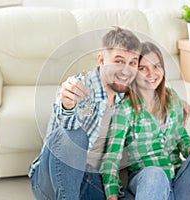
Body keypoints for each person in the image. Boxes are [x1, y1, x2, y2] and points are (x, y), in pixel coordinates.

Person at [100, 42, 190, 200]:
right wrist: (112, 196)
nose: (151, 73)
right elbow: (112, 158)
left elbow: (180, 136)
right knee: (155, 174)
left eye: (156, 66)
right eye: (142, 68)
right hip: (148, 184)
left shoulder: (172, 98)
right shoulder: (125, 110)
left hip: (179, 184)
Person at [28, 27, 142, 200]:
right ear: (102, 60)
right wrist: (67, 105)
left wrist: (174, 102)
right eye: (119, 61)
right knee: (75, 135)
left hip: (90, 179)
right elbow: (66, 130)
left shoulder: (127, 97)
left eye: (133, 63)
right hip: (51, 178)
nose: (126, 70)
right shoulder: (80, 85)